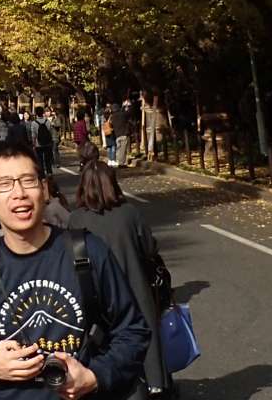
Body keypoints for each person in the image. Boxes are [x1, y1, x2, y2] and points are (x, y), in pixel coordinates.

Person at [0, 140, 149, 400]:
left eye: (28, 181)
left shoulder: (88, 252)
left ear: (44, 188)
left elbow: (133, 330)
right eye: (4, 184)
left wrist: (94, 377)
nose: (19, 193)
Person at [69, 141, 172, 398]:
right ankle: (155, 384)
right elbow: (150, 248)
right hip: (135, 287)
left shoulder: (76, 219)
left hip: (94, 296)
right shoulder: (129, 213)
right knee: (144, 339)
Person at [110, 102, 134, 168]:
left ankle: (119, 162)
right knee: (123, 150)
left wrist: (123, 107)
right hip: (123, 134)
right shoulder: (122, 114)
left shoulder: (112, 117)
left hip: (117, 135)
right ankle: (122, 163)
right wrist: (129, 105)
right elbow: (129, 113)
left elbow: (111, 125)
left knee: (119, 150)